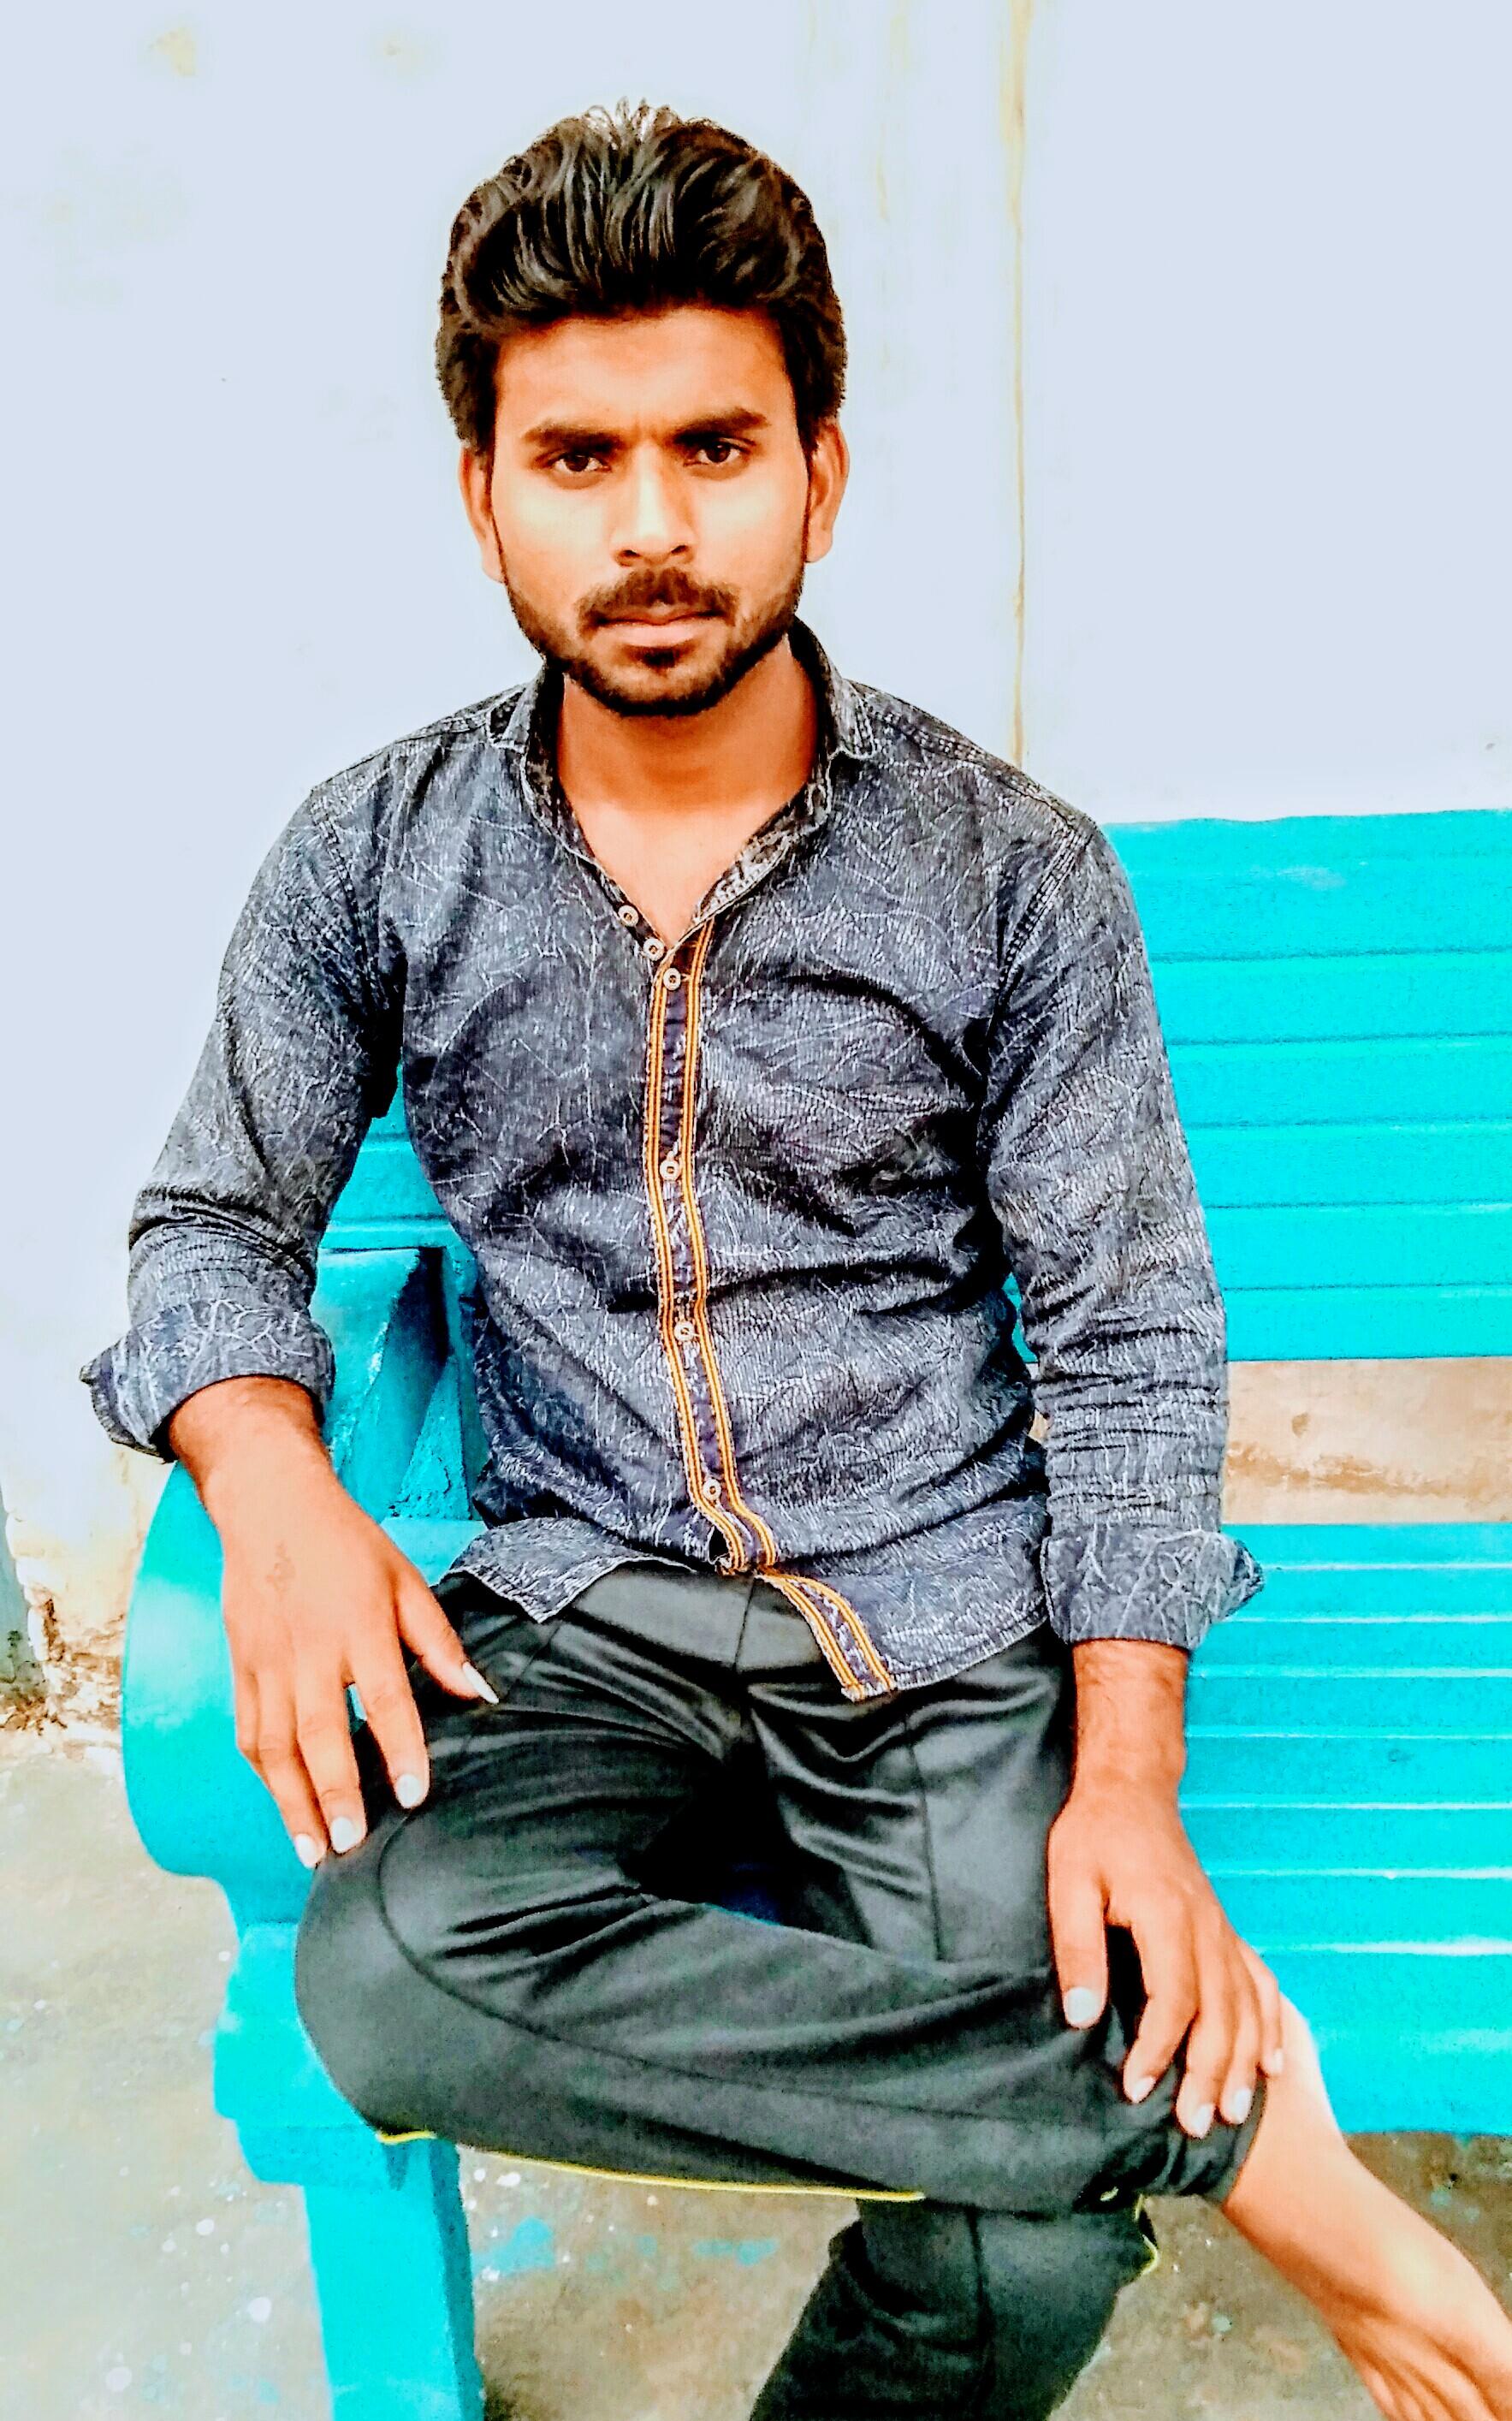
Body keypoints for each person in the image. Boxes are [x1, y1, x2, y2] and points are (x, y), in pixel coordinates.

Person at [81, 99, 1512, 2421]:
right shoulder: (374, 855)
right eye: (578, 459)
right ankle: (1226, 2134)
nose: (651, 525)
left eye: (716, 447)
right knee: (391, 1975)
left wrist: (1125, 1781)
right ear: (484, 496)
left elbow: (1134, 1339)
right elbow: (209, 1224)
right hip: (578, 1623)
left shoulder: (1006, 873)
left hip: (931, 1624)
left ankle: (1088, 2132)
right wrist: (270, 1484)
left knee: (1016, 2246)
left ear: (820, 474)